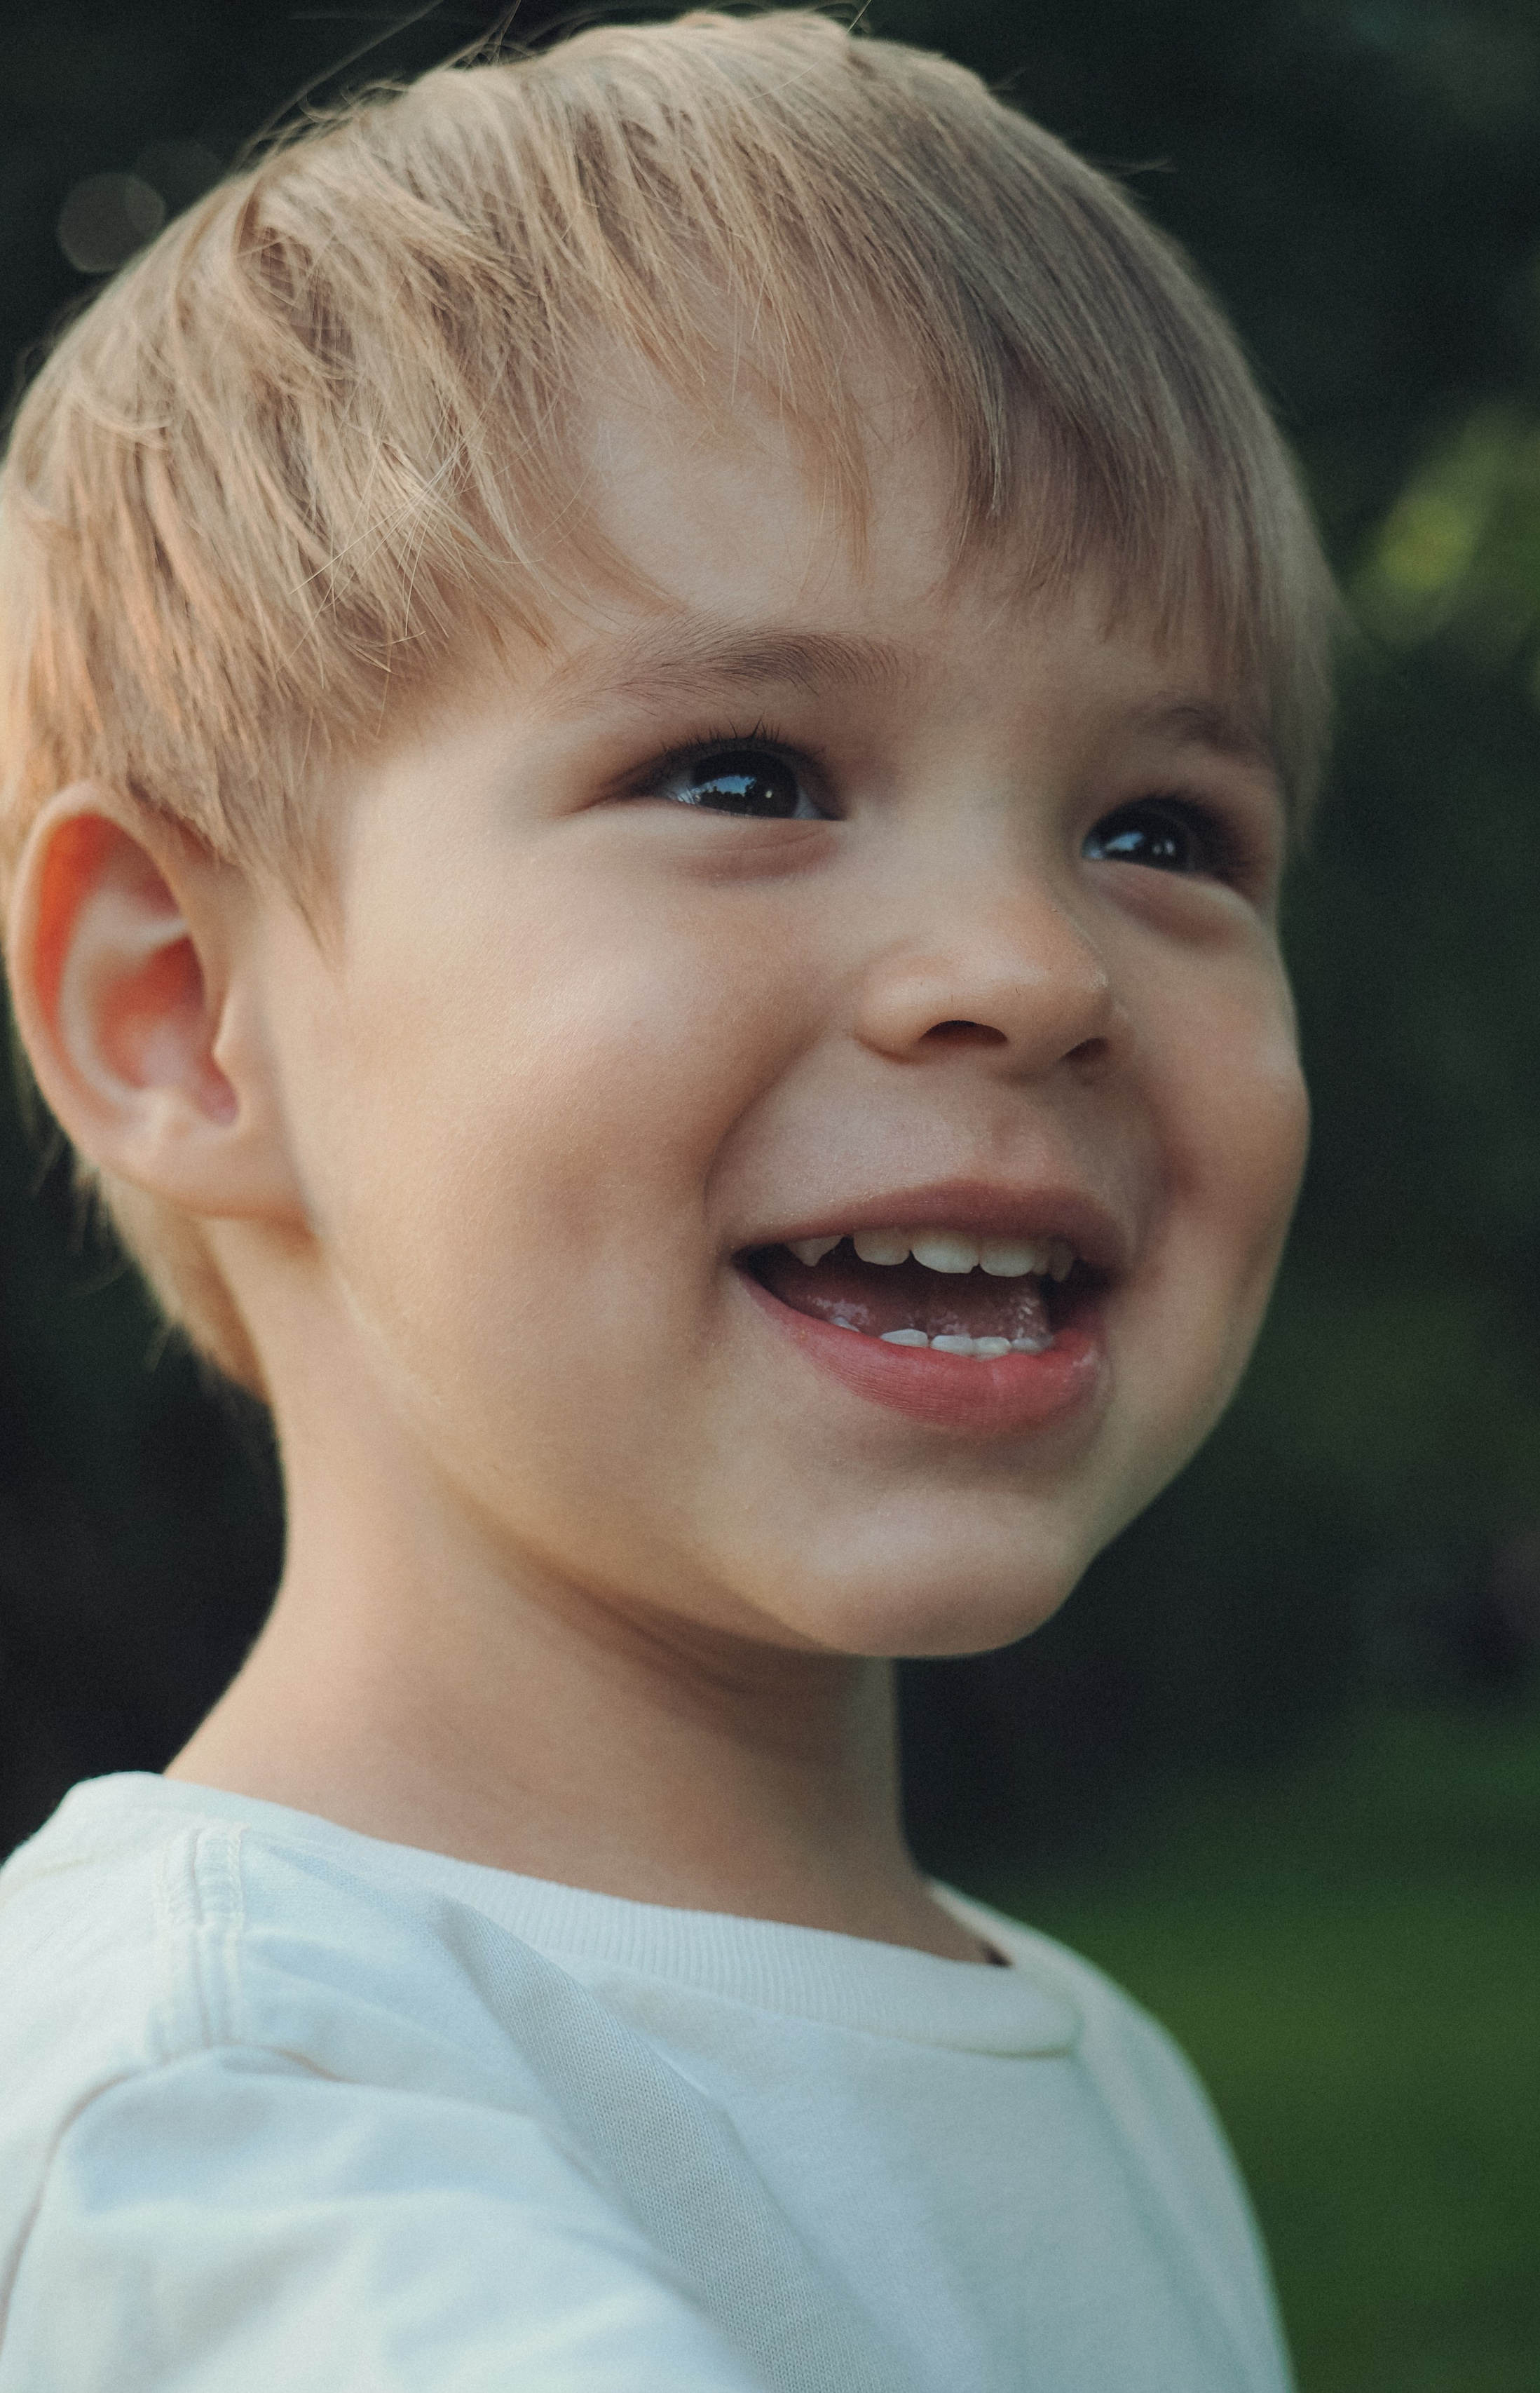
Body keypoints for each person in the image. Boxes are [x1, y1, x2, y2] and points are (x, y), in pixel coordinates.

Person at [0, 13, 1332, 2387]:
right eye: (745, 771)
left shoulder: (1099, 2075)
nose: (1027, 968)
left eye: (1164, 834)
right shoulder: (244, 2127)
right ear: (184, 1013)